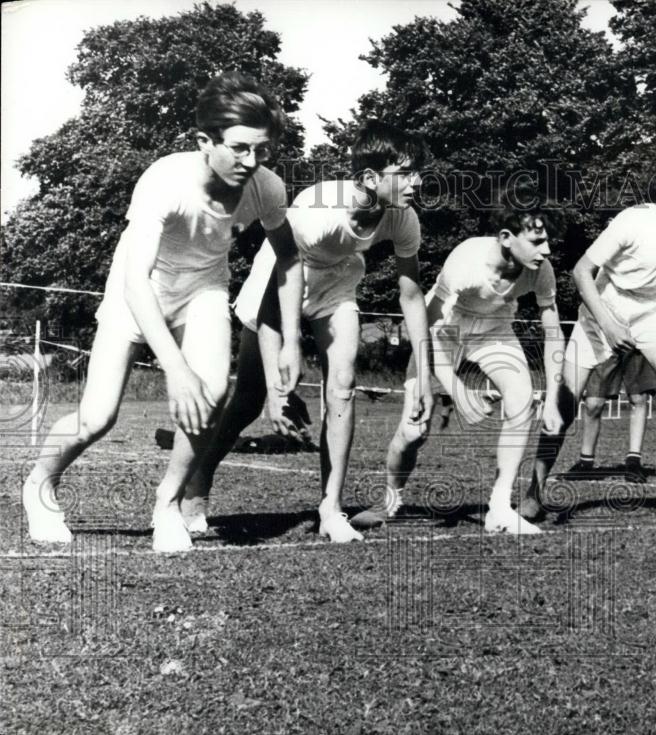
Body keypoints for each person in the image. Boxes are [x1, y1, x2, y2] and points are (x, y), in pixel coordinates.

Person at [21, 72, 303, 552]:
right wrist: (174, 366)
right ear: (204, 141)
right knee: (97, 418)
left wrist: (291, 342)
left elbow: (290, 257)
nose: (251, 162)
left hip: (204, 289)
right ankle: (39, 485)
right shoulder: (164, 180)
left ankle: (167, 504)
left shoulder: (266, 187)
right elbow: (135, 281)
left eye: (261, 150)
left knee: (211, 392)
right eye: (239, 148)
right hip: (140, 290)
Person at [180, 121, 433, 543]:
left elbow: (411, 296)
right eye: (405, 173)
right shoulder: (318, 211)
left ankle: (330, 509)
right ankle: (197, 484)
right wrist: (282, 379)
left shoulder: (404, 219)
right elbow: (272, 306)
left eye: (417, 172)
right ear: (371, 179)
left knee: (343, 385)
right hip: (280, 282)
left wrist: (425, 374)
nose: (417, 182)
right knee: (248, 401)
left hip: (337, 283)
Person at [520, 146, 656, 527]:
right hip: (600, 315)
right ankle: (533, 493)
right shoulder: (632, 221)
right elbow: (581, 272)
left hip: (650, 316)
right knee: (563, 408)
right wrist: (608, 324)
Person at [351, 188, 564, 535]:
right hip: (442, 331)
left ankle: (499, 508)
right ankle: (389, 501)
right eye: (538, 240)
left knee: (523, 400)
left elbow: (553, 332)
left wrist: (553, 399)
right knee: (415, 430)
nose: (547, 250)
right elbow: (428, 329)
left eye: (548, 241)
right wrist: (456, 388)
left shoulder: (541, 270)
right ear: (506, 238)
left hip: (493, 328)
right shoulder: (467, 261)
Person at [570, 351, 656, 483]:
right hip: (605, 341)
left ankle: (633, 462)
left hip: (634, 339)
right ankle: (585, 463)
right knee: (593, 403)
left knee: (639, 398)